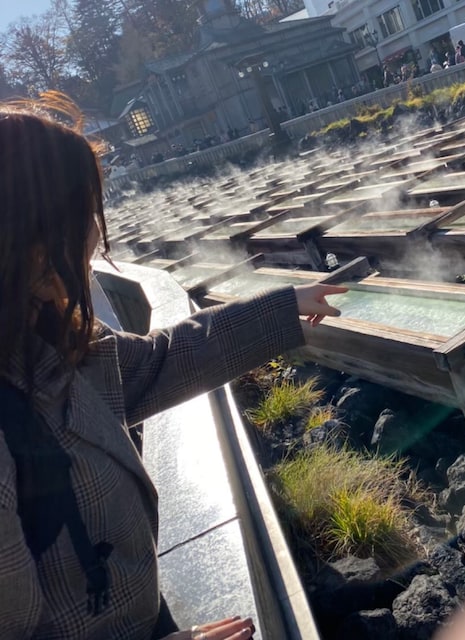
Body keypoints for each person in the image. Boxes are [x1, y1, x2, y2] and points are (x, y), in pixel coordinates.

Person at [0, 94, 347, 639]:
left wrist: (283, 309)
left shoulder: (49, 338)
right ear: (31, 242)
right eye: (84, 213)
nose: (96, 234)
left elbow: (161, 360)